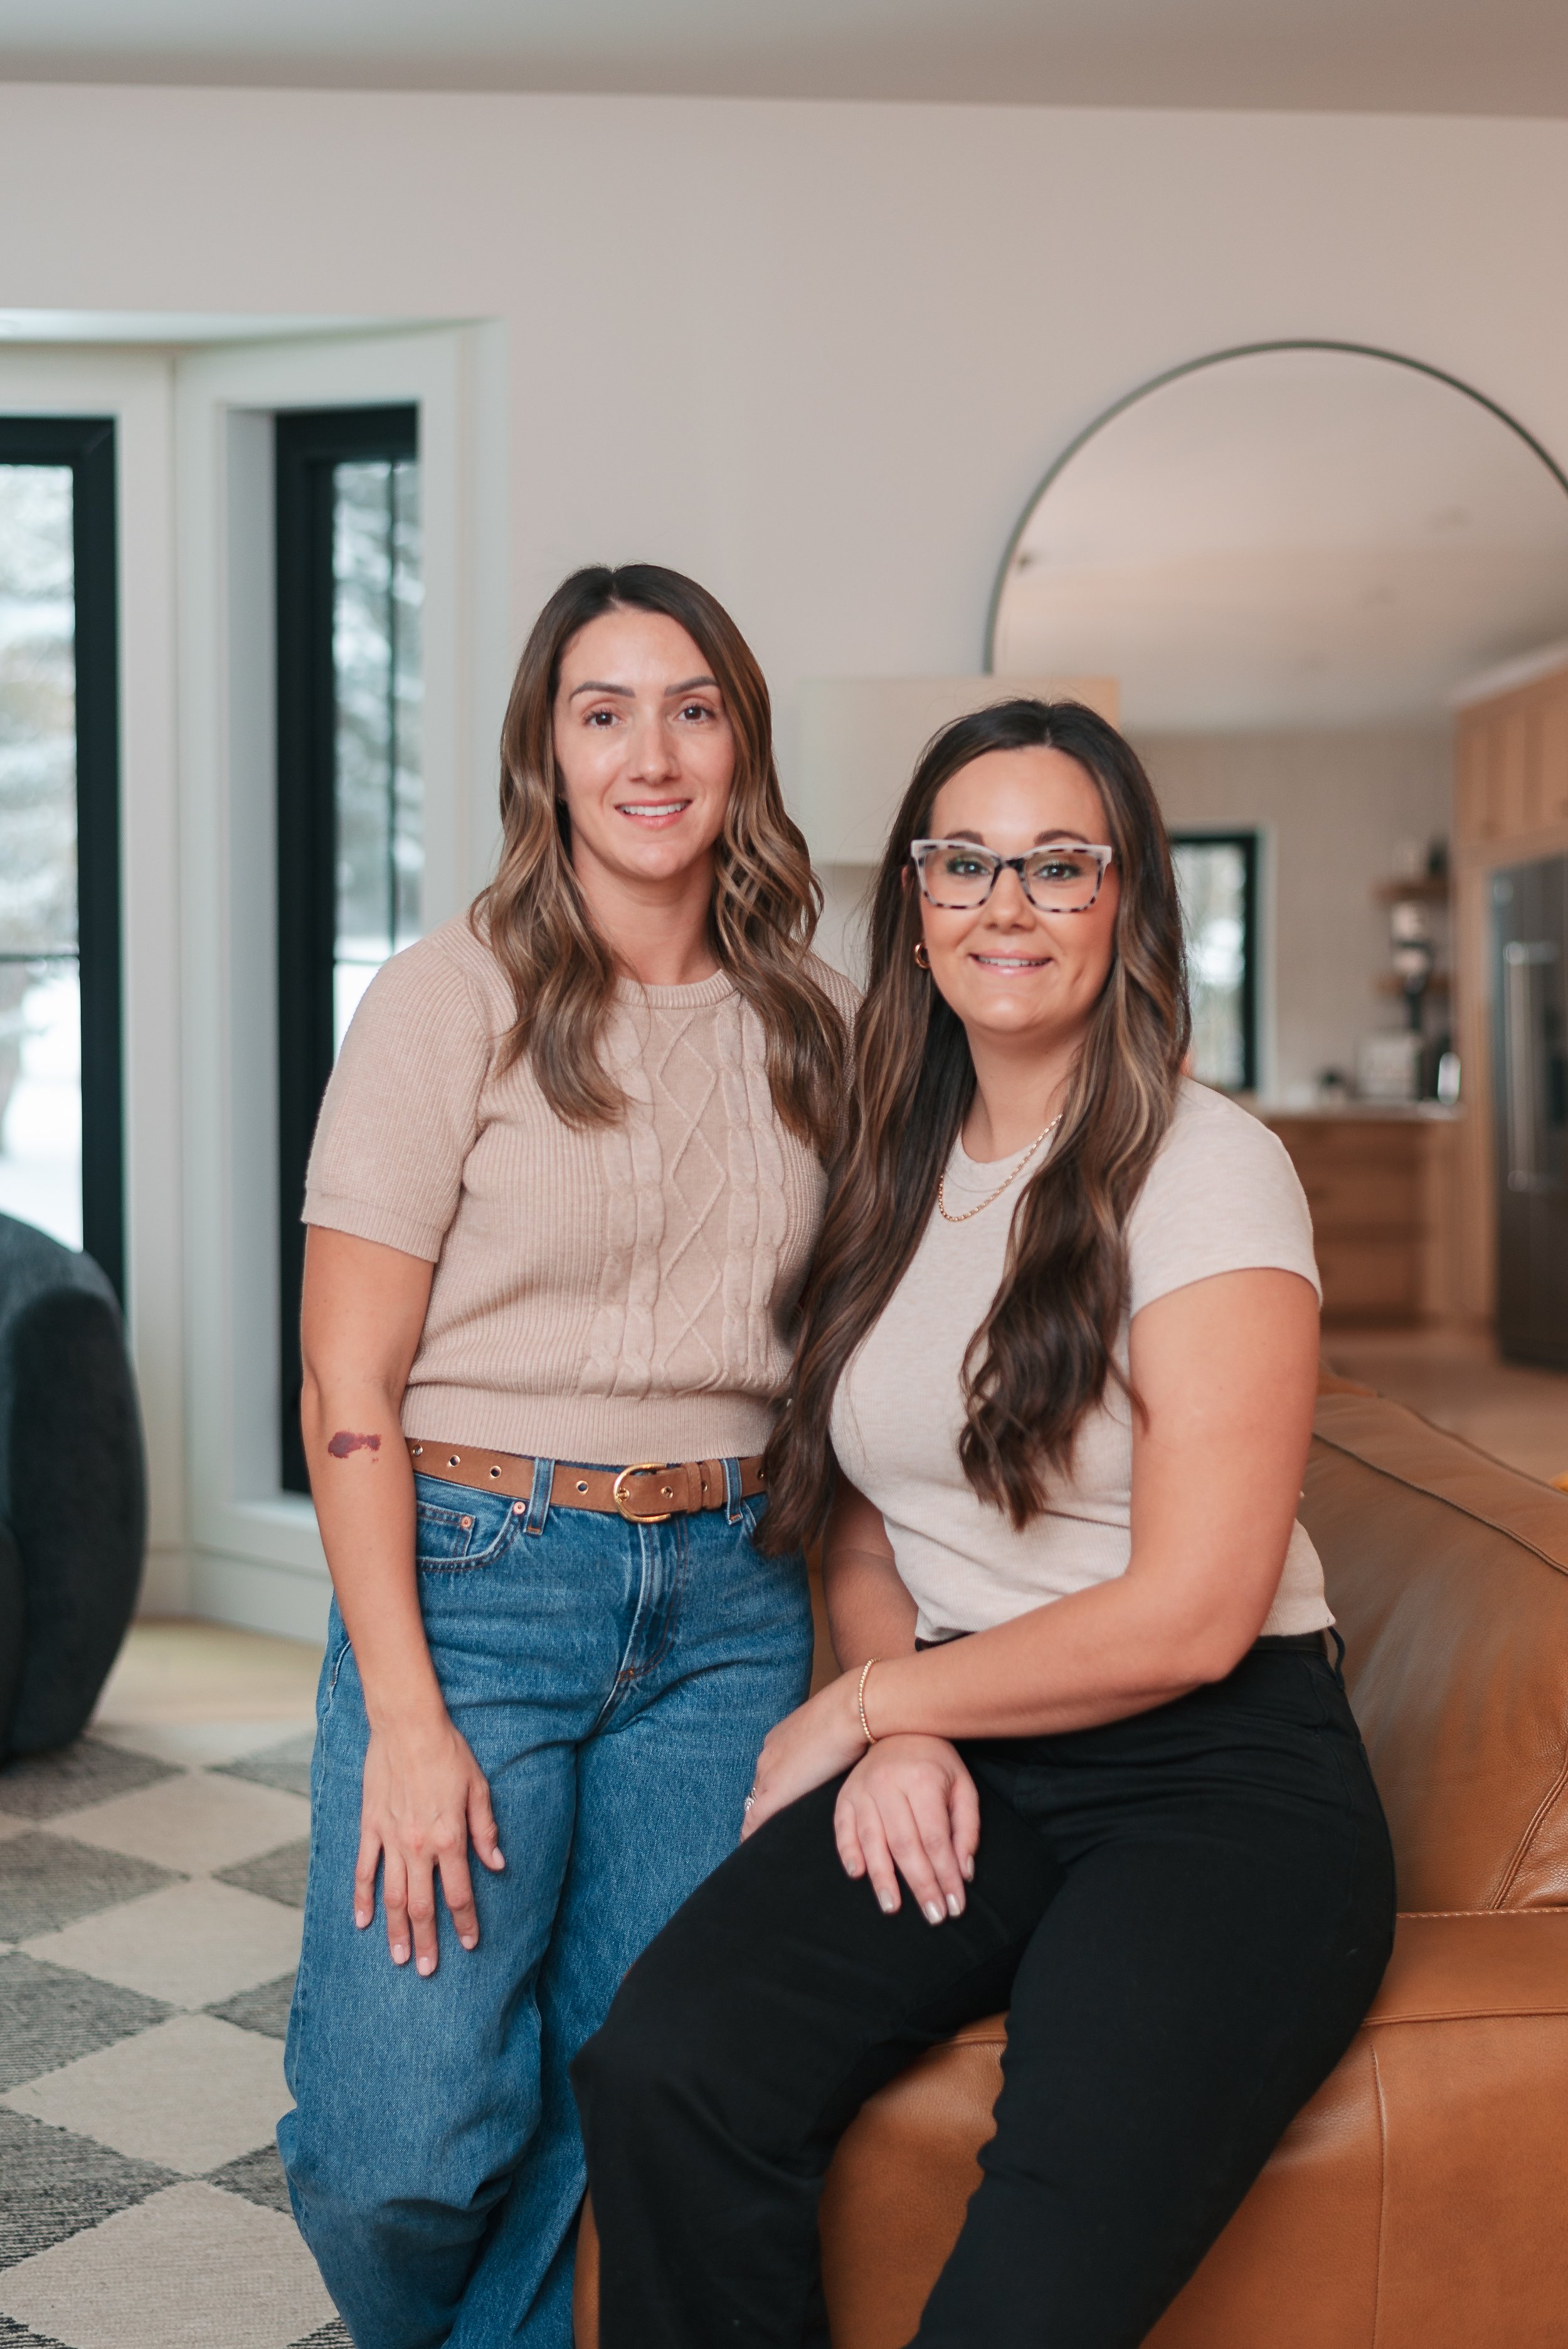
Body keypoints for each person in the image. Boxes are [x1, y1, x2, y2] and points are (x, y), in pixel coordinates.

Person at [574, 698, 1396, 2349]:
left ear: (1130, 901)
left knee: (1023, 2293)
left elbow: (1192, 1612)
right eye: (962, 861)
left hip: (1216, 1781)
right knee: (666, 2063)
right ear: (916, 902)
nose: (1002, 904)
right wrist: (904, 1726)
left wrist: (875, 1703)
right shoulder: (892, 1164)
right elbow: (871, 1524)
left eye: (1055, 864)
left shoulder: (1206, 1166)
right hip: (980, 1736)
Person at [277, 564, 855, 2349]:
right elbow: (344, 1373)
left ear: (740, 741)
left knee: (631, 2084)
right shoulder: (446, 997)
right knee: (403, 2145)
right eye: (602, 710)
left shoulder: (817, 1017)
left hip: (734, 1602)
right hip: (474, 1583)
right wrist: (403, 1708)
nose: (651, 752)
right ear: (545, 750)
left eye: (691, 705)